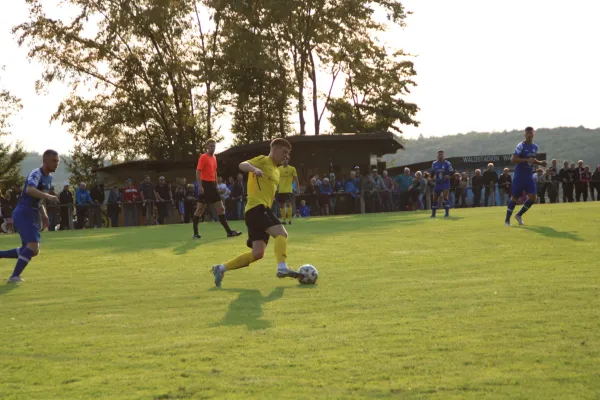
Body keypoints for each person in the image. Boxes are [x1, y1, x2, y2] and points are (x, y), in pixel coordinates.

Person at [211, 138, 302, 288]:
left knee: (257, 253)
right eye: (284, 152)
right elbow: (242, 165)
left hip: (257, 211)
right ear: (275, 149)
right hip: (257, 208)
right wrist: (254, 169)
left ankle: (220, 268)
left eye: (288, 154)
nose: (286, 156)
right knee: (282, 234)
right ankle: (282, 267)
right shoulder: (262, 160)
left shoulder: (277, 171)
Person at [0, 150, 60, 283]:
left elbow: (38, 199)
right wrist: (48, 196)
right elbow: (30, 190)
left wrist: (44, 214)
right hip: (24, 212)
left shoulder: (48, 178)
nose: (57, 164)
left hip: (31, 213)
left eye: (58, 161)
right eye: (54, 161)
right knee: (33, 246)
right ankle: (14, 276)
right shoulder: (36, 173)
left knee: (31, 250)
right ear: (45, 160)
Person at [193, 139, 241, 240]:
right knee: (200, 209)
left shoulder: (214, 158)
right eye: (210, 146)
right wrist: (200, 186)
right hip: (205, 185)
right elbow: (198, 171)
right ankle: (195, 233)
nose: (212, 148)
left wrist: (215, 184)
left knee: (220, 208)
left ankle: (229, 232)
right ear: (207, 147)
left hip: (212, 186)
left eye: (214, 146)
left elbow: (214, 172)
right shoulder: (203, 157)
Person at [505, 127, 547, 226]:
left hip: (529, 176)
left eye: (531, 133)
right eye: (527, 133)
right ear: (525, 134)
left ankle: (519, 215)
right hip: (519, 175)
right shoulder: (521, 145)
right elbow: (513, 159)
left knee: (533, 197)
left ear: (534, 134)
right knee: (515, 198)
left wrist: (540, 162)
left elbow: (532, 159)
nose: (529, 134)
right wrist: (526, 160)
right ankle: (507, 220)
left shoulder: (535, 147)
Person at [431, 150, 454, 218]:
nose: (440, 156)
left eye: (441, 155)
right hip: (438, 183)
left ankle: (447, 214)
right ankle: (433, 214)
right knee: (435, 198)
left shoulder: (447, 163)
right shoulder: (434, 163)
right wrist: (431, 178)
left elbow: (452, 172)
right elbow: (432, 173)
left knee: (445, 197)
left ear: (443, 156)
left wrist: (448, 176)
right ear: (437, 155)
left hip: (445, 183)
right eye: (439, 155)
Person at [276, 157, 299, 225]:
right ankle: (284, 220)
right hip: (280, 190)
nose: (284, 160)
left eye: (286, 159)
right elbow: (276, 179)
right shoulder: (278, 169)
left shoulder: (292, 168)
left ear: (288, 160)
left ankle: (289, 220)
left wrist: (298, 188)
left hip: (288, 190)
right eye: (283, 159)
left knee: (289, 204)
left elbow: (296, 179)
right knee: (281, 205)